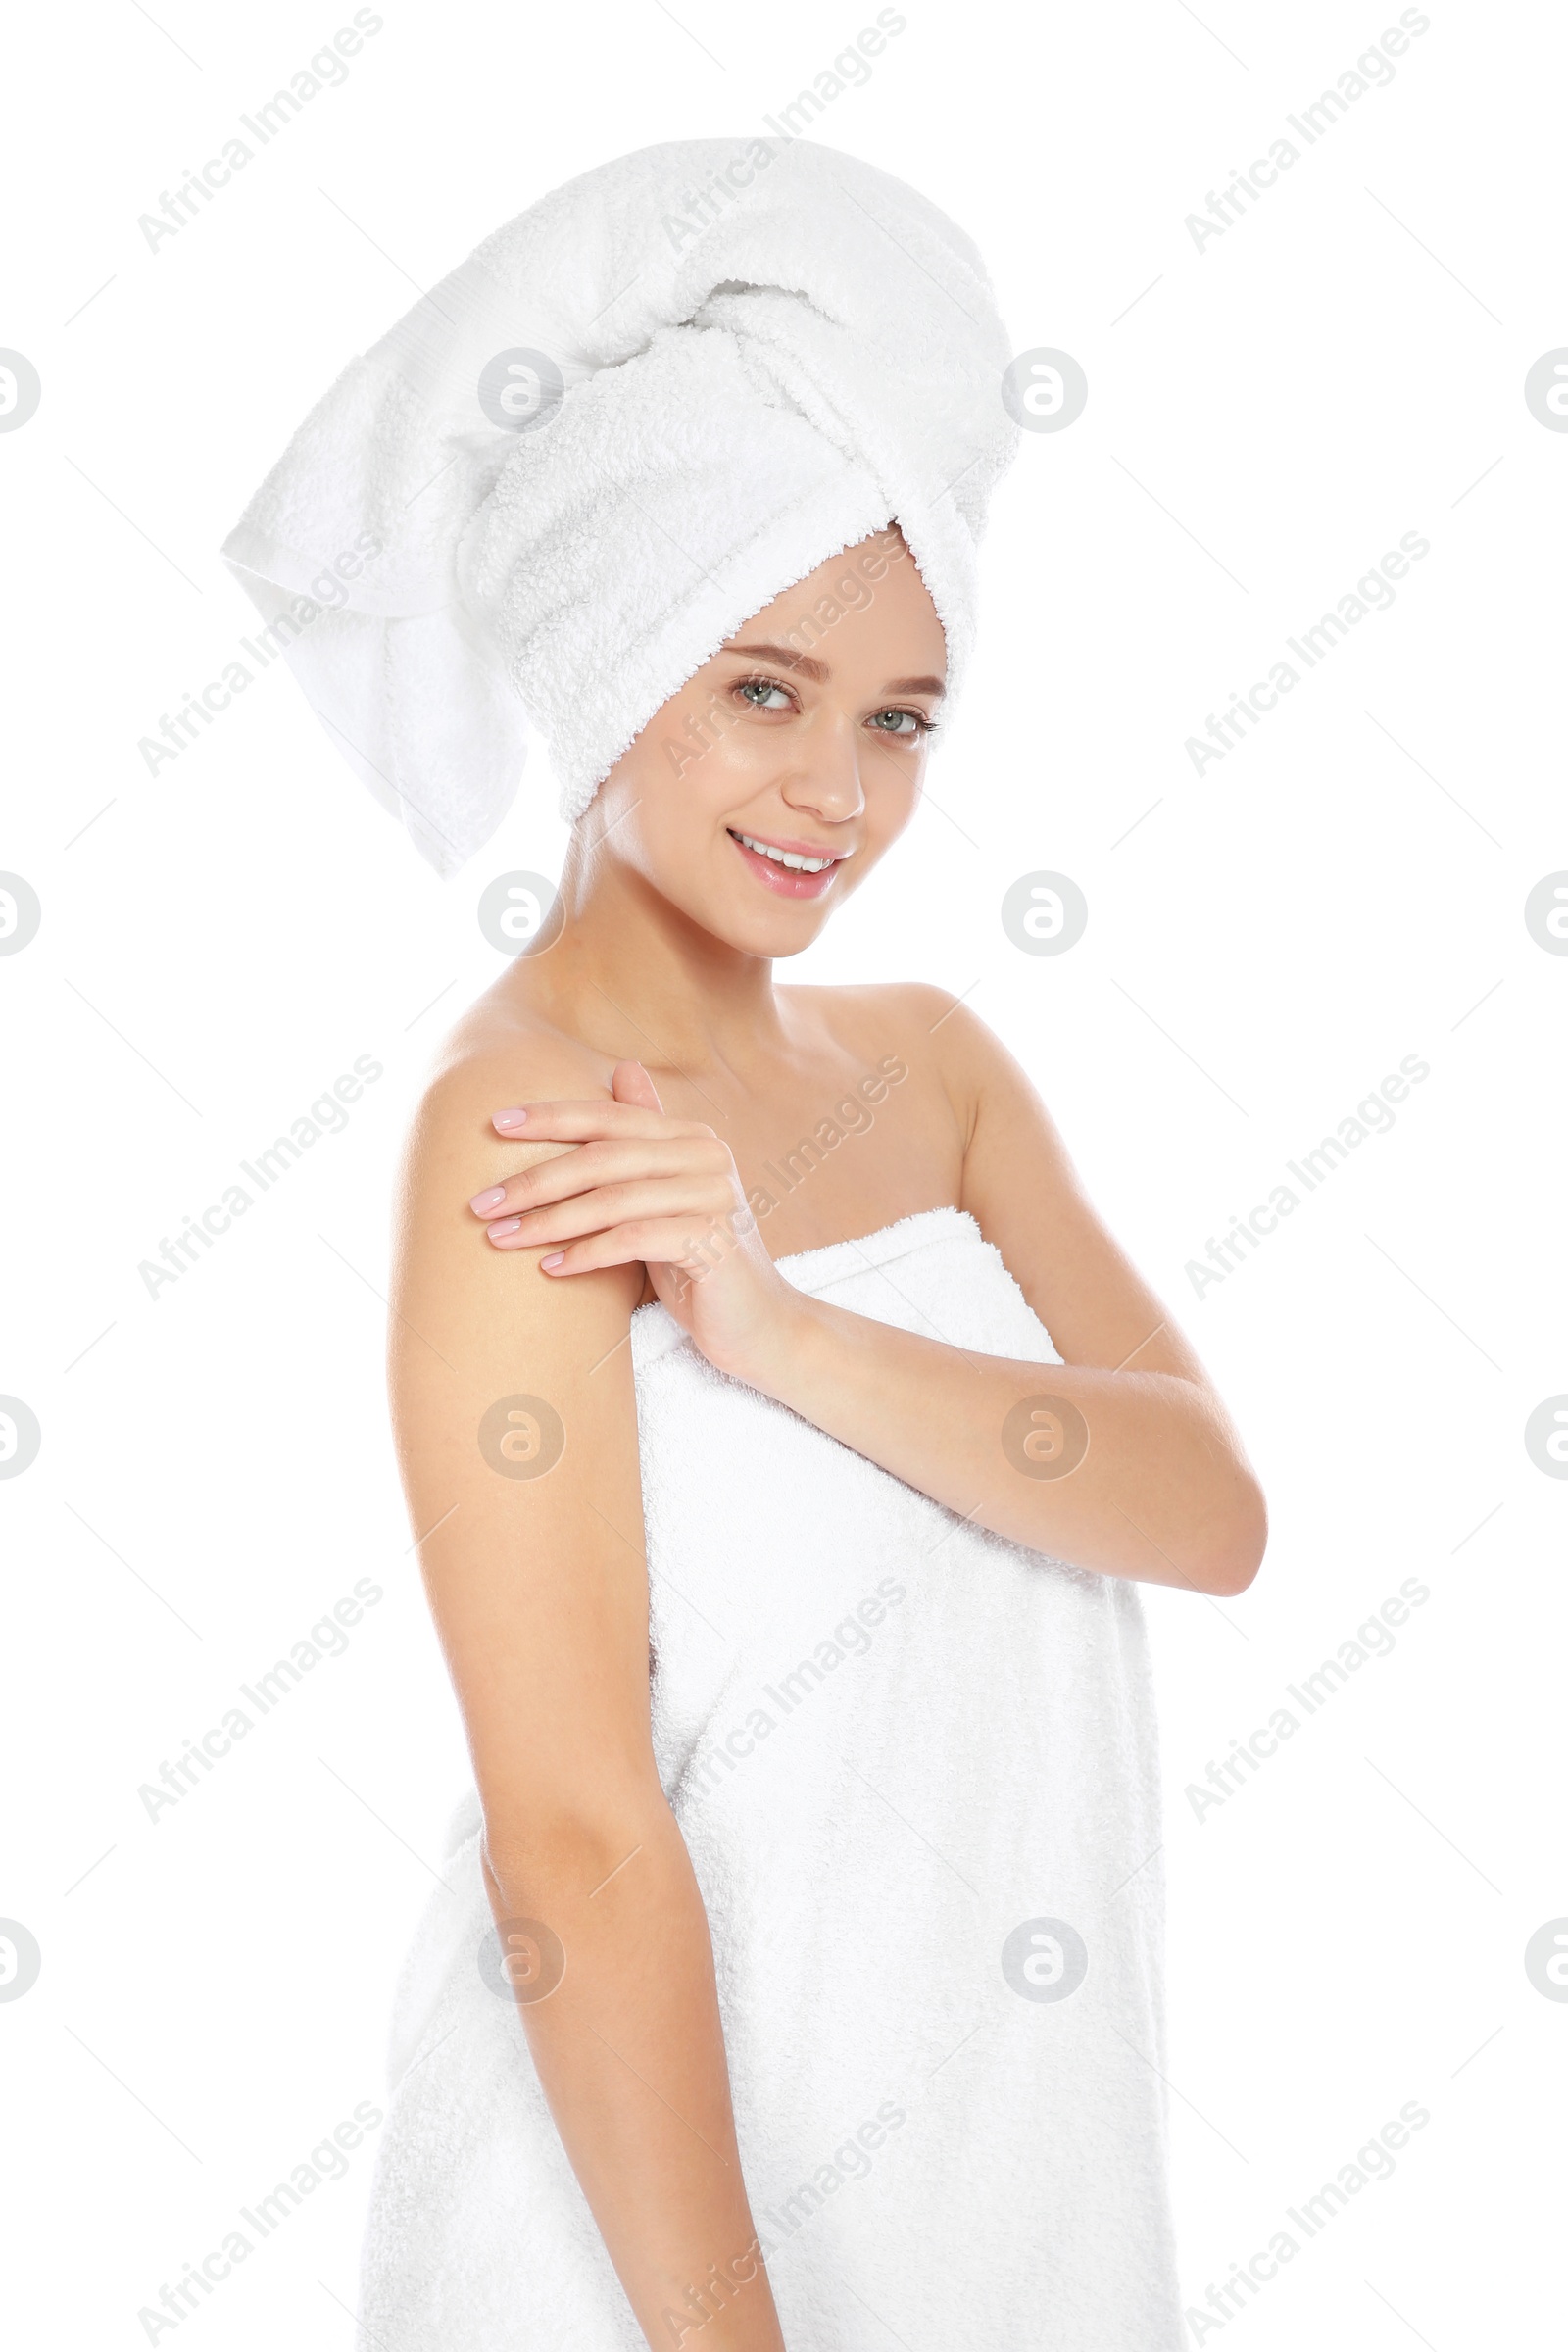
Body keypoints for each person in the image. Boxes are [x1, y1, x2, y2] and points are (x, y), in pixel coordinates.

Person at [222, 138, 1265, 2352]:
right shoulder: (517, 1140)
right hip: (653, 2271)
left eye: (899, 718)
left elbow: (1204, 1509)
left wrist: (779, 1333)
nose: (837, 795)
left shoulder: (937, 1068)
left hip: (1003, 2209)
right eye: (763, 690)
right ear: (608, 657)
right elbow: (571, 1844)